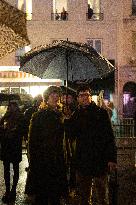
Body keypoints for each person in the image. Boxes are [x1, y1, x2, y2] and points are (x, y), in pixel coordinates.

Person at [68, 85, 117, 205]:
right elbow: (71, 135)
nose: (84, 98)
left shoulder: (101, 113)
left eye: (86, 95)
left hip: (100, 160)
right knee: (84, 196)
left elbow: (109, 137)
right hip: (83, 161)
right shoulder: (75, 115)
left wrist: (112, 159)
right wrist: (68, 120)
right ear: (77, 98)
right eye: (81, 95)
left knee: (102, 196)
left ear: (91, 97)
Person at [28, 86, 68, 205]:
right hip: (43, 161)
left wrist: (67, 119)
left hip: (58, 160)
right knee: (42, 196)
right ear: (47, 97)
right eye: (52, 94)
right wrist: (33, 163)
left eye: (57, 95)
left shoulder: (62, 115)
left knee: (56, 197)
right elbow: (32, 142)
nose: (55, 97)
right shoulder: (38, 116)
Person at [0, 102, 25, 204]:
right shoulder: (5, 116)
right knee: (6, 169)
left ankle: (14, 189)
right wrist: (3, 128)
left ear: (16, 106)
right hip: (6, 146)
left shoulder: (21, 116)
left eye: (13, 106)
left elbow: (23, 129)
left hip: (15, 146)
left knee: (15, 168)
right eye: (9, 106)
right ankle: (7, 189)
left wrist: (15, 129)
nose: (10, 107)